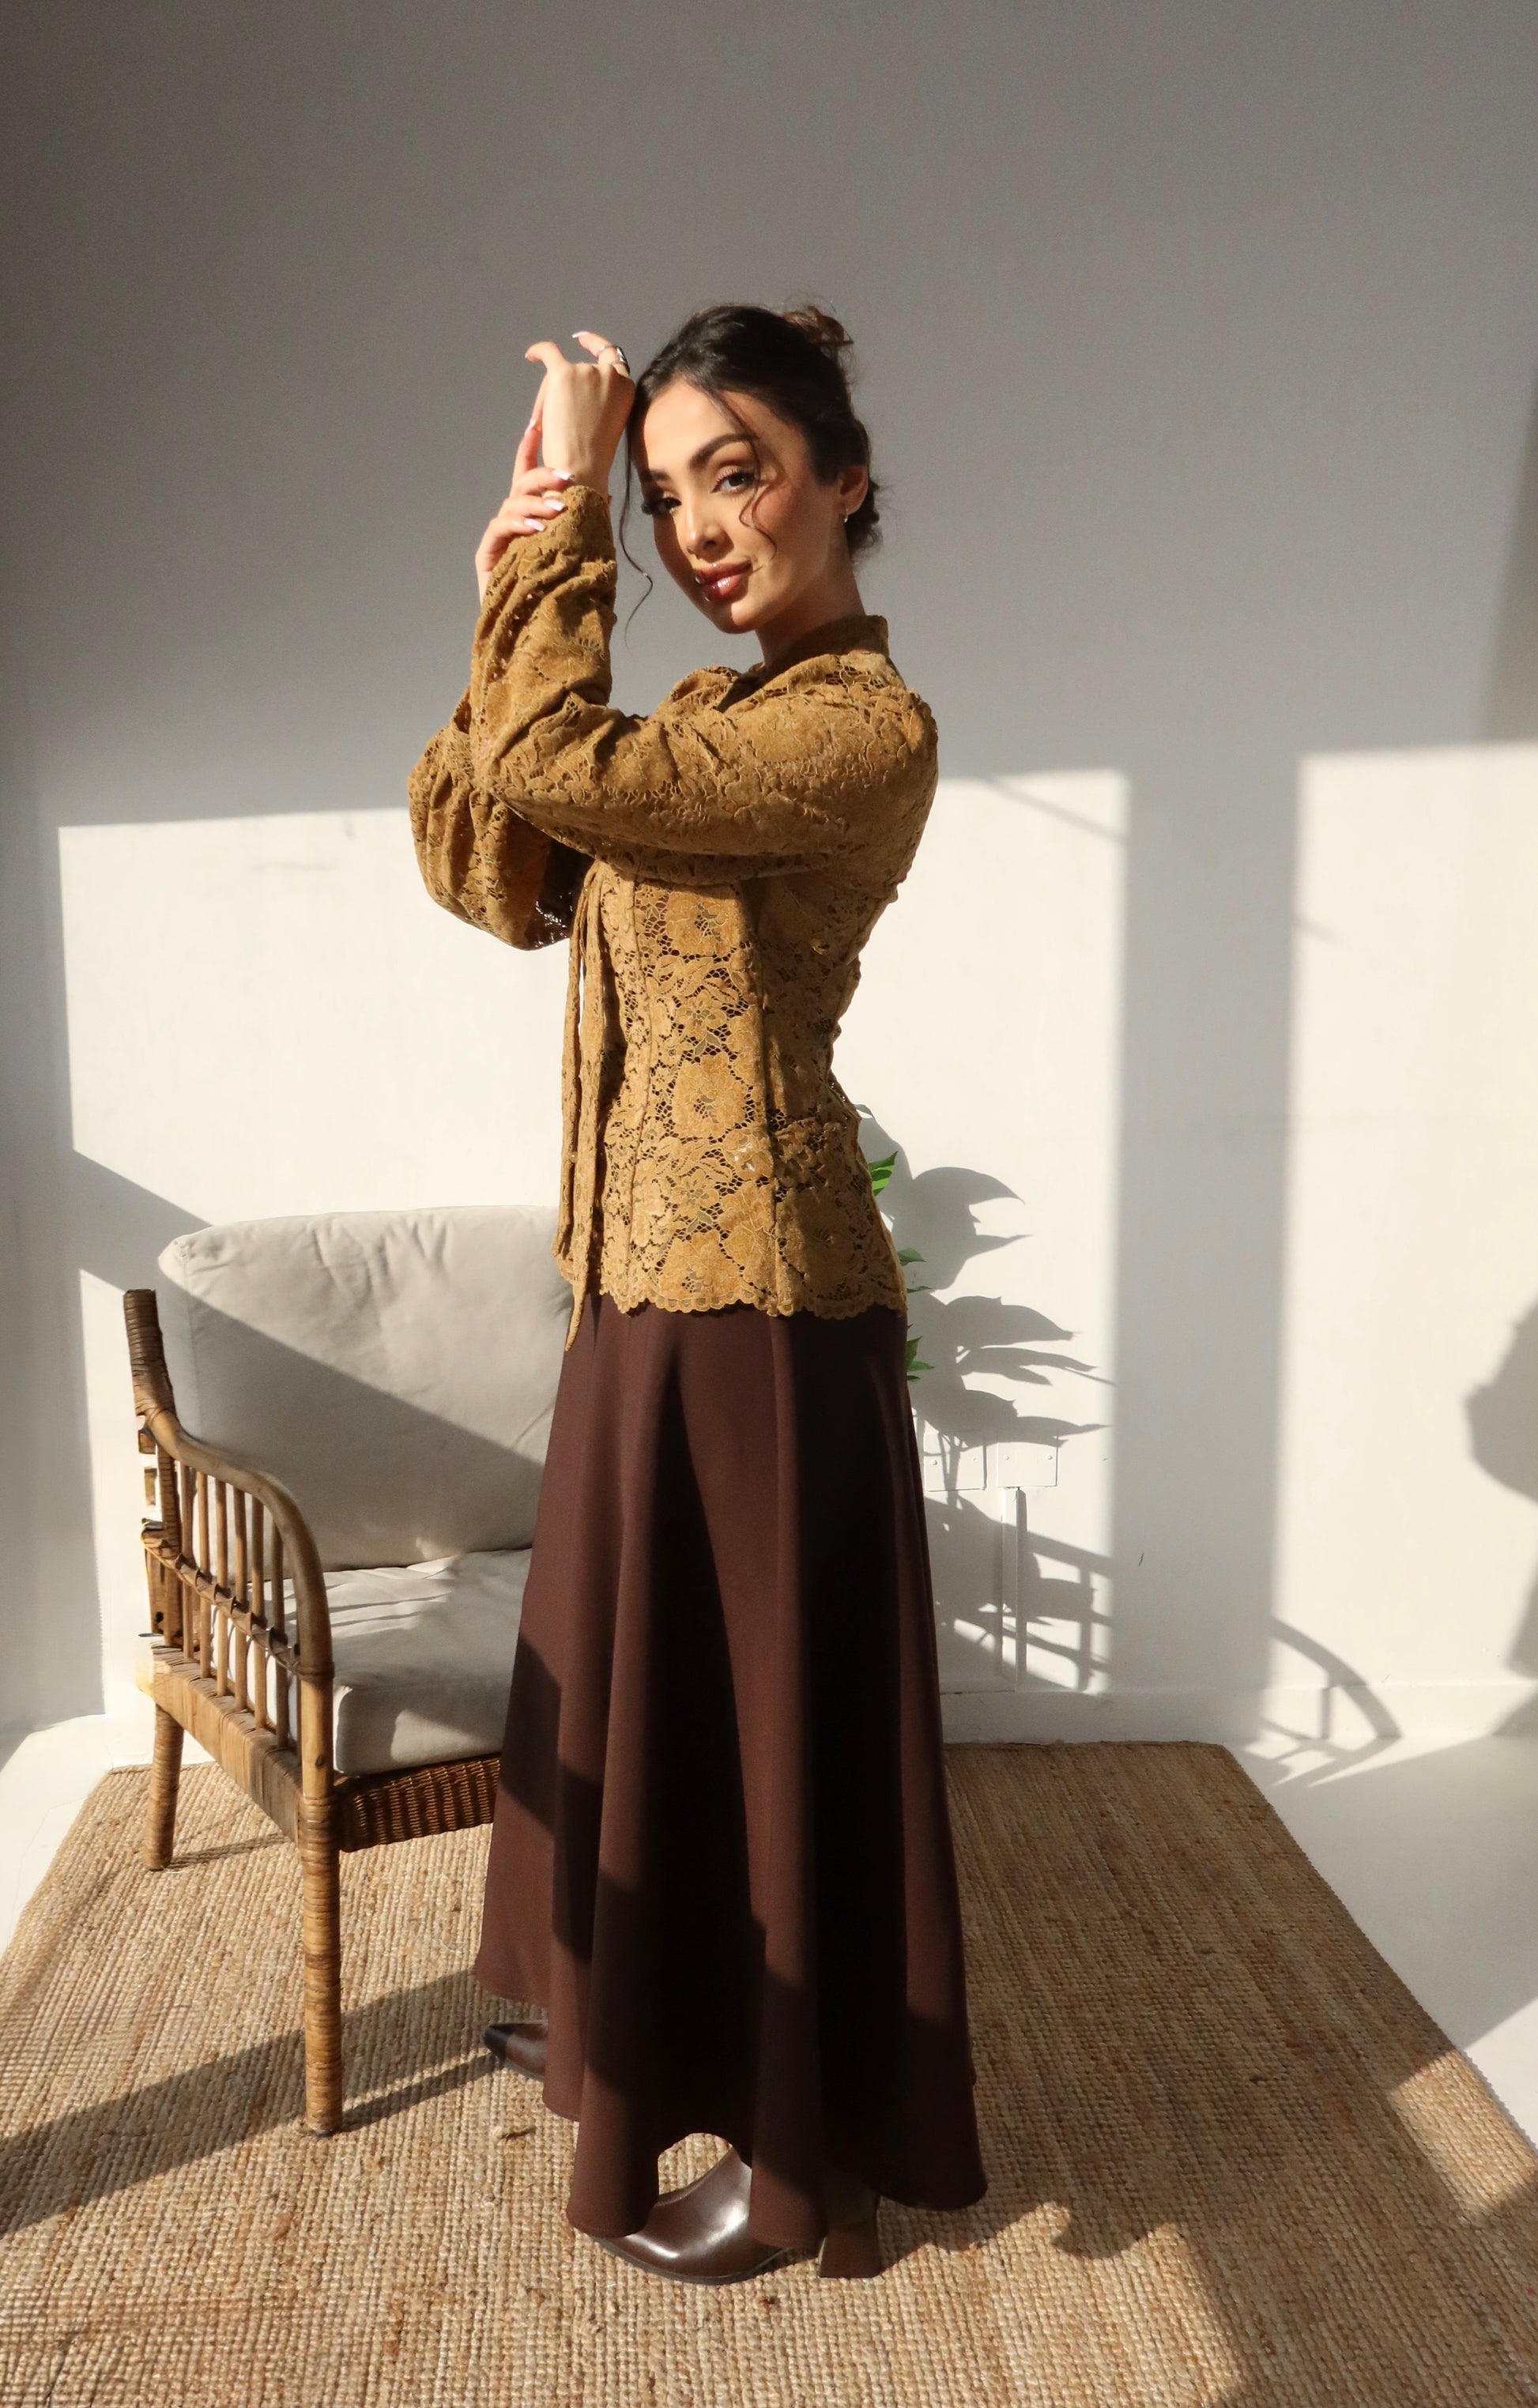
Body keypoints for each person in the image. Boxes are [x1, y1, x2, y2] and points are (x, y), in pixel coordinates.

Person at [408, 303, 986, 2284]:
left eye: (734, 475)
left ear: (842, 479)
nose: (697, 531)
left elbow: (548, 754)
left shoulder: (857, 732)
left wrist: (562, 520)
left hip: (760, 1316)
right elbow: (487, 860)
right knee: (645, 1709)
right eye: (662, 498)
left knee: (747, 1744)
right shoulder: (704, 725)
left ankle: (796, 2161)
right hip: (640, 1288)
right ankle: (625, 2035)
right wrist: (510, 575)